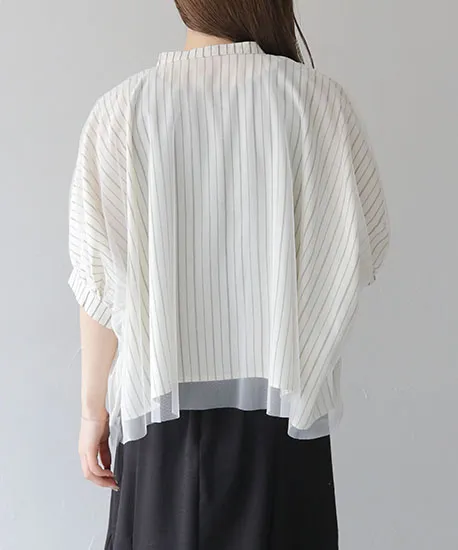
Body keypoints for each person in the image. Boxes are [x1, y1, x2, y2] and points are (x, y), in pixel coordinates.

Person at [68, 1, 390, 548]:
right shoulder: (317, 103)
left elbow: (97, 280)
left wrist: (91, 412)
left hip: (158, 418)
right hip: (282, 419)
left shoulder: (122, 112)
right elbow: (364, 247)